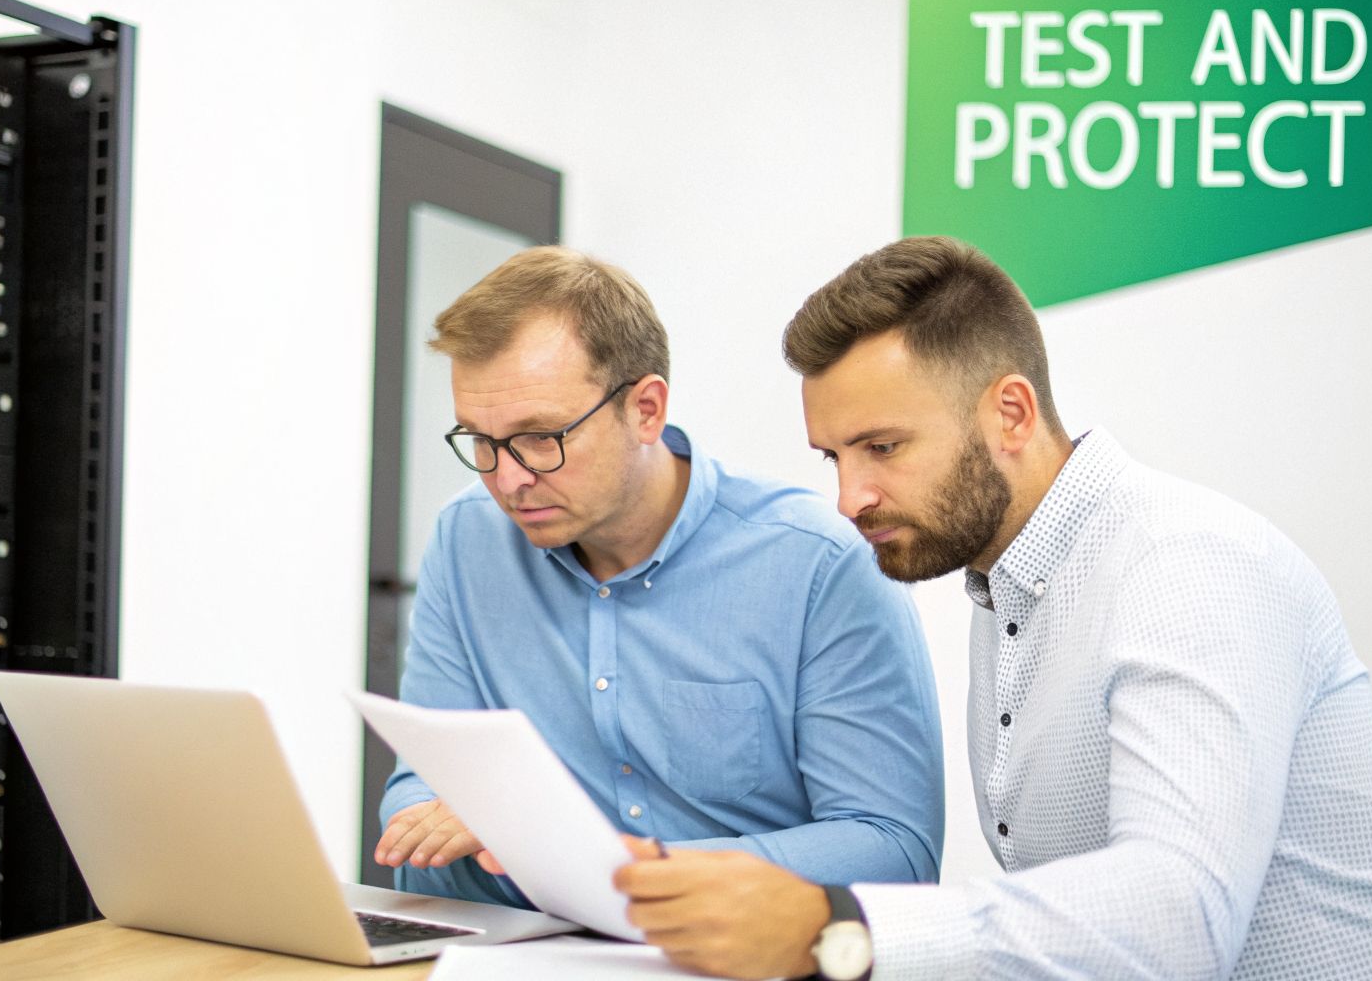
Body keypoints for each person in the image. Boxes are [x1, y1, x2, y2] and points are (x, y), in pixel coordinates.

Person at [614, 235, 1372, 980]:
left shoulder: (1188, 563)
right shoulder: (1007, 582)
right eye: (835, 455)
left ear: (1010, 413)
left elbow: (1181, 914)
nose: (849, 496)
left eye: (883, 447)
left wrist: (841, 928)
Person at [374, 245, 944, 908]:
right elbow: (420, 793)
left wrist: (619, 867)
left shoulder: (817, 563)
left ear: (646, 409)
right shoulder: (466, 540)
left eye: (539, 438)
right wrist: (440, 820)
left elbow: (895, 852)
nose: (508, 479)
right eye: (481, 440)